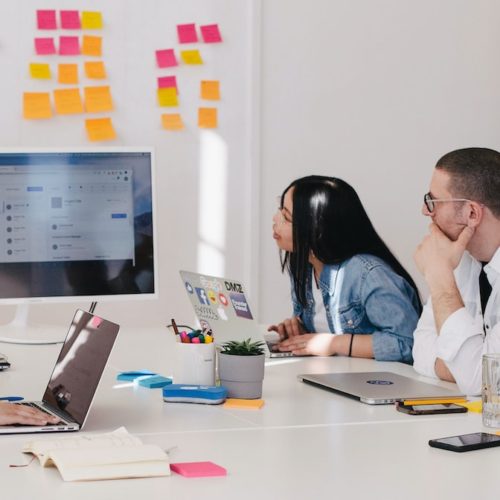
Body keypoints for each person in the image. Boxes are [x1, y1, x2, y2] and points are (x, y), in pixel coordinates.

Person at [268, 175, 421, 362]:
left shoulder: (368, 274)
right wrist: (301, 332)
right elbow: (324, 329)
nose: (275, 219)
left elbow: (408, 343)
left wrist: (333, 344)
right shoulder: (304, 266)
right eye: (280, 210)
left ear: (317, 228)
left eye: (286, 216)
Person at [413, 147, 500, 395]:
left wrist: (439, 277)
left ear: (472, 213)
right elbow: (420, 347)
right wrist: (463, 369)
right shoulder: (462, 259)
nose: (425, 211)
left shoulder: (444, 264)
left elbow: (480, 380)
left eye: (433, 201)